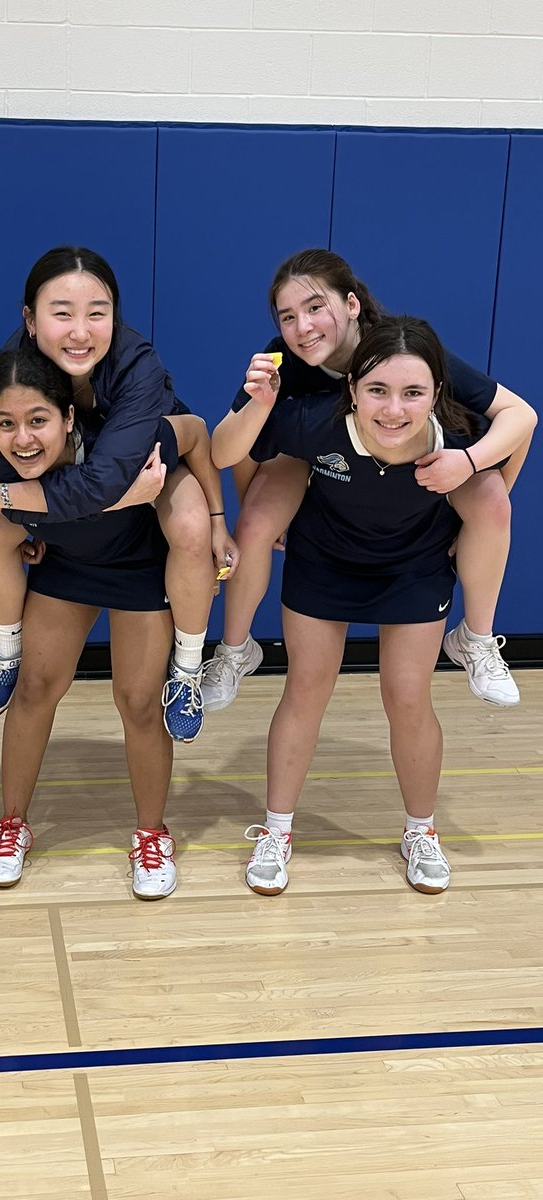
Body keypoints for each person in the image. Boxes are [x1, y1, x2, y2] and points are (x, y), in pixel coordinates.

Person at [212, 315, 505, 896]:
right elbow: (229, 449)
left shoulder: (459, 439)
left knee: (408, 696)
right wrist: (255, 505)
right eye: (377, 390)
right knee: (306, 689)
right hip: (324, 562)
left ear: (437, 395)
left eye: (412, 393)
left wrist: (471, 518)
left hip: (413, 571)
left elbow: (508, 457)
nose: (393, 409)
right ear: (352, 390)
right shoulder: (313, 423)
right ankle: (276, 831)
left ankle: (421, 831)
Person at [201, 248, 537, 713]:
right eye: (288, 316)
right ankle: (234, 651)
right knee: (256, 523)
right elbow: (229, 450)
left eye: (316, 307)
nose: (303, 327)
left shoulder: (400, 350)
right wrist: (256, 431)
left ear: (352, 304)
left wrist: (474, 470)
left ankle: (475, 640)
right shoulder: (280, 360)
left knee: (493, 503)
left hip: (411, 475)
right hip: (317, 457)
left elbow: (521, 417)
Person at [0, 345, 223, 898]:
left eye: (38, 420)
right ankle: (11, 822)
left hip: (138, 565)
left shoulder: (127, 442)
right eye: (7, 424)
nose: (23, 439)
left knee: (138, 702)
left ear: (68, 418)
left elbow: (199, 433)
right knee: (35, 689)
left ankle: (152, 834)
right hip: (66, 566)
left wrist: (216, 517)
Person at [0, 246, 237, 745]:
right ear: (30, 319)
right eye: (62, 313)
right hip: (100, 488)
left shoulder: (138, 368)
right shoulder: (14, 372)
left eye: (97, 313)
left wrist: (215, 518)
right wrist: (28, 516)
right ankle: (8, 654)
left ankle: (186, 669)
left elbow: (112, 478)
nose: (80, 331)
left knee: (191, 526)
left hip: (152, 464)